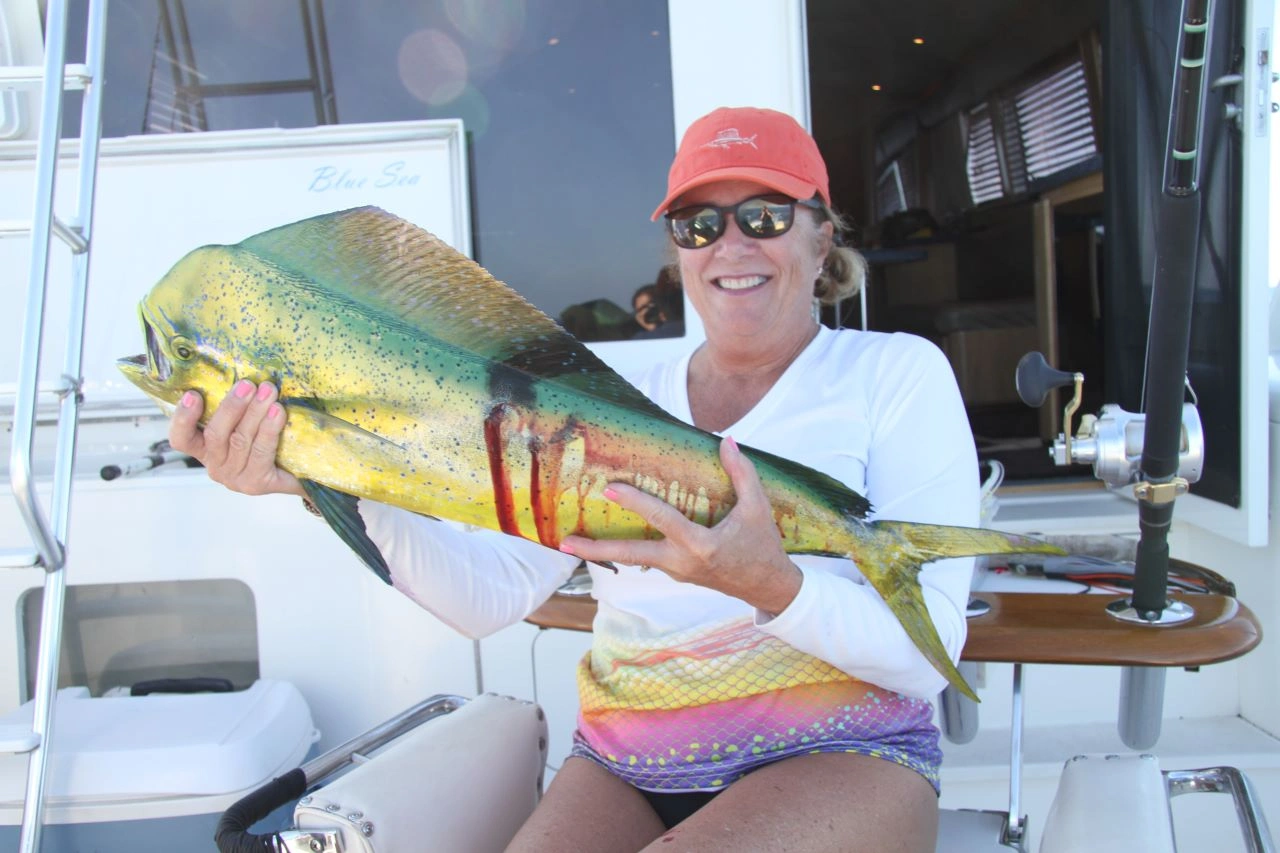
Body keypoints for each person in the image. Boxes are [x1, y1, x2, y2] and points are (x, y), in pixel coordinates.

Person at [169, 105, 978, 852]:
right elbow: (489, 596)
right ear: (676, 252)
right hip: (627, 763)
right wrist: (327, 480)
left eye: (764, 216)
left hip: (840, 752)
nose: (731, 245)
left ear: (820, 237)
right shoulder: (621, 399)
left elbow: (923, 655)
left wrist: (772, 584)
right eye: (699, 224)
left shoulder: (894, 373)